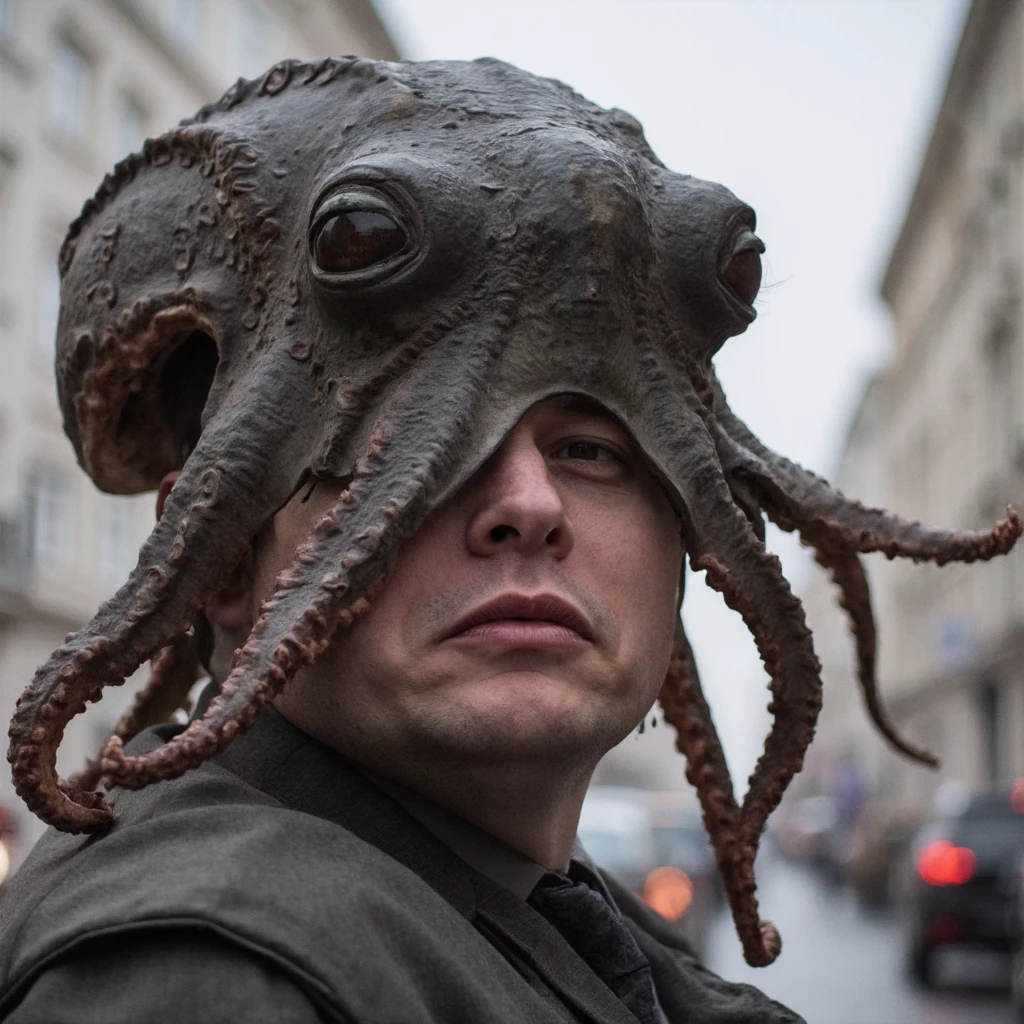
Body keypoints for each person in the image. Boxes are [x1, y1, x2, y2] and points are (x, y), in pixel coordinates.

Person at [2, 54, 1017, 1023]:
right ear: (219, 555)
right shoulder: (196, 974)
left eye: (589, 450)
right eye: (422, 449)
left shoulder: (527, 909)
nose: (530, 504)